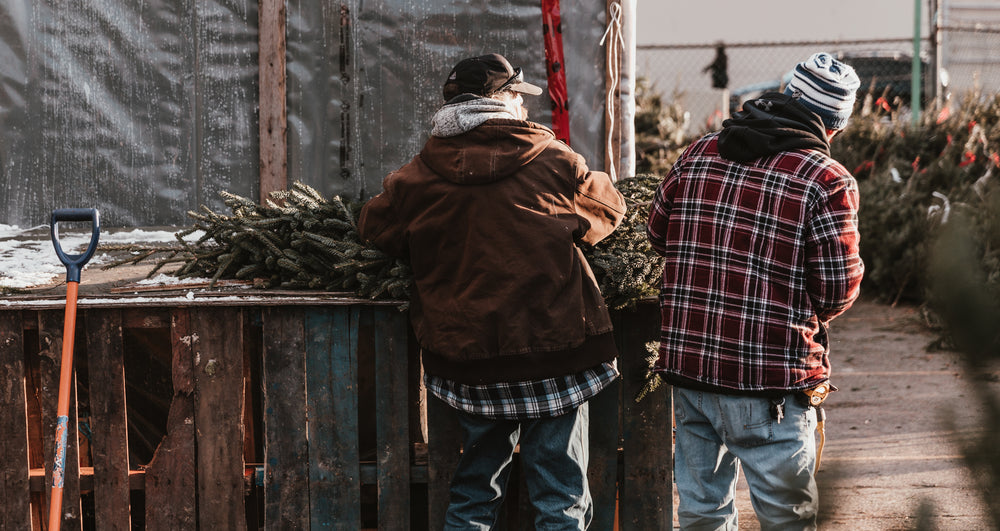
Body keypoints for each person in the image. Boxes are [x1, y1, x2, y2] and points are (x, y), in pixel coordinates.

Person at [358, 53, 626, 530]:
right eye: (519, 99)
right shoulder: (553, 159)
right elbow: (607, 210)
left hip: (469, 359)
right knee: (561, 490)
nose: (525, 108)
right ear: (503, 101)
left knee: (475, 489)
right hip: (555, 353)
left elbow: (377, 228)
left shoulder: (416, 175)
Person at [646, 52, 865, 530]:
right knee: (787, 519)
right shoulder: (826, 180)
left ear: (787, 94)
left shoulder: (699, 152)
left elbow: (658, 234)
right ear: (833, 125)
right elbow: (835, 290)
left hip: (692, 369)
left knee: (703, 513)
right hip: (770, 382)